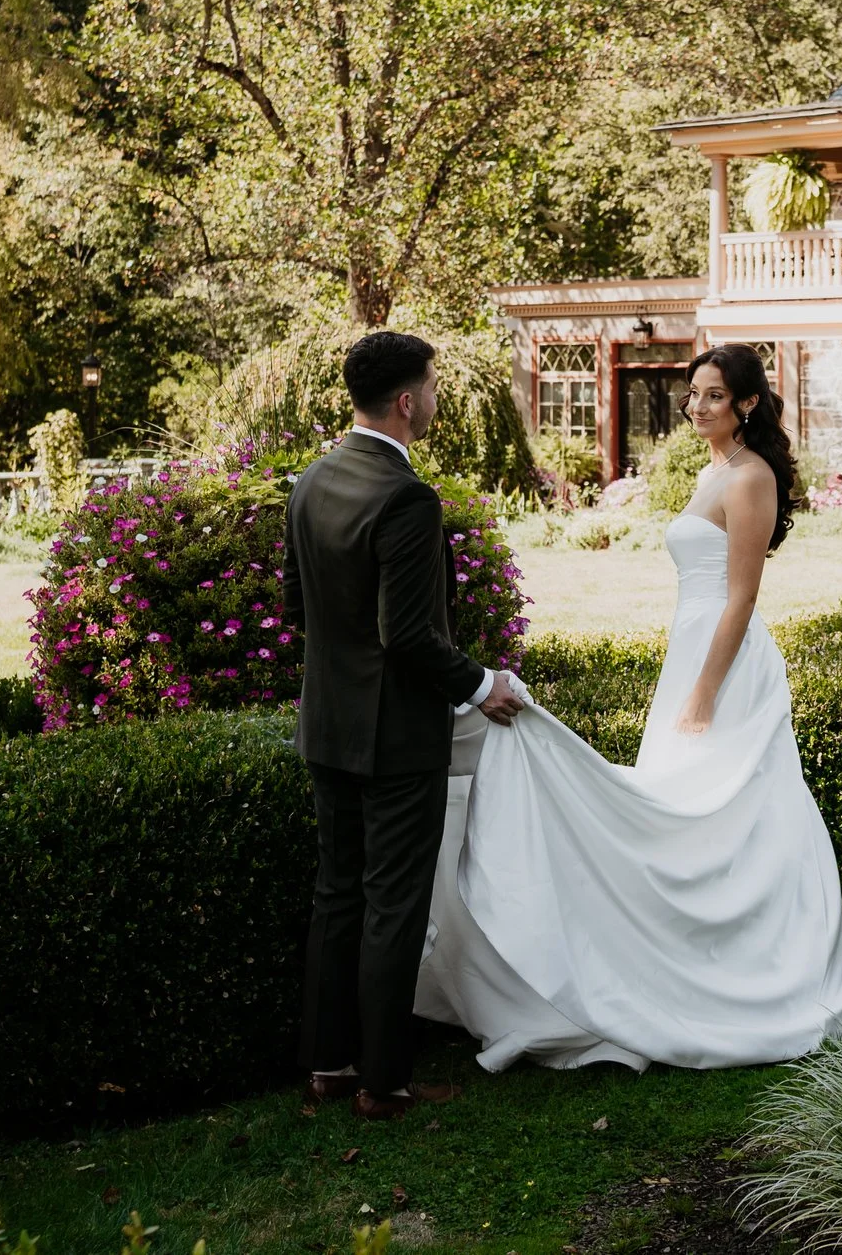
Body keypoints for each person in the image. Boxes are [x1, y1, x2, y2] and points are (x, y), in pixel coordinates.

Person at [414, 343, 842, 1070]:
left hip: (724, 665)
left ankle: (758, 975)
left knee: (724, 816)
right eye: (694, 393)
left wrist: (703, 692)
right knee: (675, 822)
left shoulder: (751, 476)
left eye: (715, 395)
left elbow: (743, 597)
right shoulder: (713, 469)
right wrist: (685, 679)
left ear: (748, 403)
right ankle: (676, 967)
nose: (697, 406)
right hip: (690, 652)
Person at [282, 330, 529, 1122]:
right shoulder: (407, 497)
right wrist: (482, 682)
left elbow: (302, 612)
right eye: (432, 384)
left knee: (336, 894)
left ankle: (328, 1064)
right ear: (405, 401)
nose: (436, 397)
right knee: (392, 903)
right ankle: (383, 1082)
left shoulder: (312, 481)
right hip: (394, 738)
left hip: (328, 728)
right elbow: (411, 634)